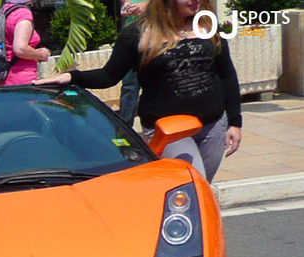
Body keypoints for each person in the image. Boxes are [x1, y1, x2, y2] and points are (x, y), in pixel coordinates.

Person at [34, 0, 241, 183]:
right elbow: (109, 75)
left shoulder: (207, 26)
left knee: (200, 189)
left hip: (212, 127)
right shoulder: (138, 34)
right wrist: (71, 77)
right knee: (193, 184)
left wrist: (234, 122)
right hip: (168, 131)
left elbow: (227, 75)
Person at [0, 0, 50, 86]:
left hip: (1, 76)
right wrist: (42, 55)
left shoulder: (3, 11)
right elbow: (20, 49)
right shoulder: (22, 14)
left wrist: (32, 52)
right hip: (21, 78)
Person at [118, 0, 148, 126]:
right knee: (129, 85)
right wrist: (126, 4)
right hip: (132, 36)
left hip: (155, 36)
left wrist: (146, 5)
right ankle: (125, 127)